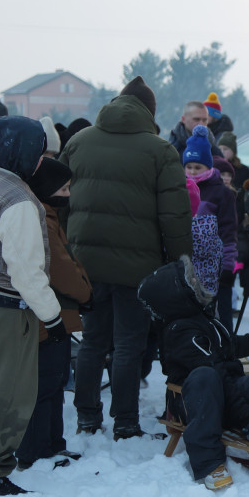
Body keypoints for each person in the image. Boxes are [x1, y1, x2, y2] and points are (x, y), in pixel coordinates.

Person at [60, 77, 192, 440]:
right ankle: (125, 420)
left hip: (85, 262)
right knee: (129, 343)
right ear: (149, 111)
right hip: (138, 267)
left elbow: (59, 200)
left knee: (92, 340)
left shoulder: (78, 142)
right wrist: (182, 264)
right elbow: (175, 217)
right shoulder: (160, 150)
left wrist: (69, 248)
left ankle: (87, 416)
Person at [138, 258, 249, 489]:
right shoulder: (179, 332)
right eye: (191, 280)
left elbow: (232, 346)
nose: (198, 281)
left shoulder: (202, 319)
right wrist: (247, 419)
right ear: (177, 293)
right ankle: (209, 464)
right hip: (195, 406)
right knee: (205, 376)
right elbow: (215, 371)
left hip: (226, 396)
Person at [0, 116, 66, 494]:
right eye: (38, 153)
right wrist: (52, 318)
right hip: (6, 309)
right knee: (9, 392)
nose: (41, 162)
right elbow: (26, 270)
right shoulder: (18, 199)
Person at [15, 159, 92, 469]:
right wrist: (86, 293)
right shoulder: (43, 219)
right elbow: (61, 267)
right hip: (48, 314)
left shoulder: (46, 214)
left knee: (54, 380)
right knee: (46, 383)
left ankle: (50, 444)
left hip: (51, 312)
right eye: (63, 188)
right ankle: (36, 451)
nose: (68, 194)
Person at [183, 125, 238, 331]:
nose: (193, 172)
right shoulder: (180, 189)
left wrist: (228, 265)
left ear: (208, 167)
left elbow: (228, 231)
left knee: (219, 317)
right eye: (189, 167)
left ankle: (223, 354)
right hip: (187, 268)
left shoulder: (221, 194)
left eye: (198, 167)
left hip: (214, 268)